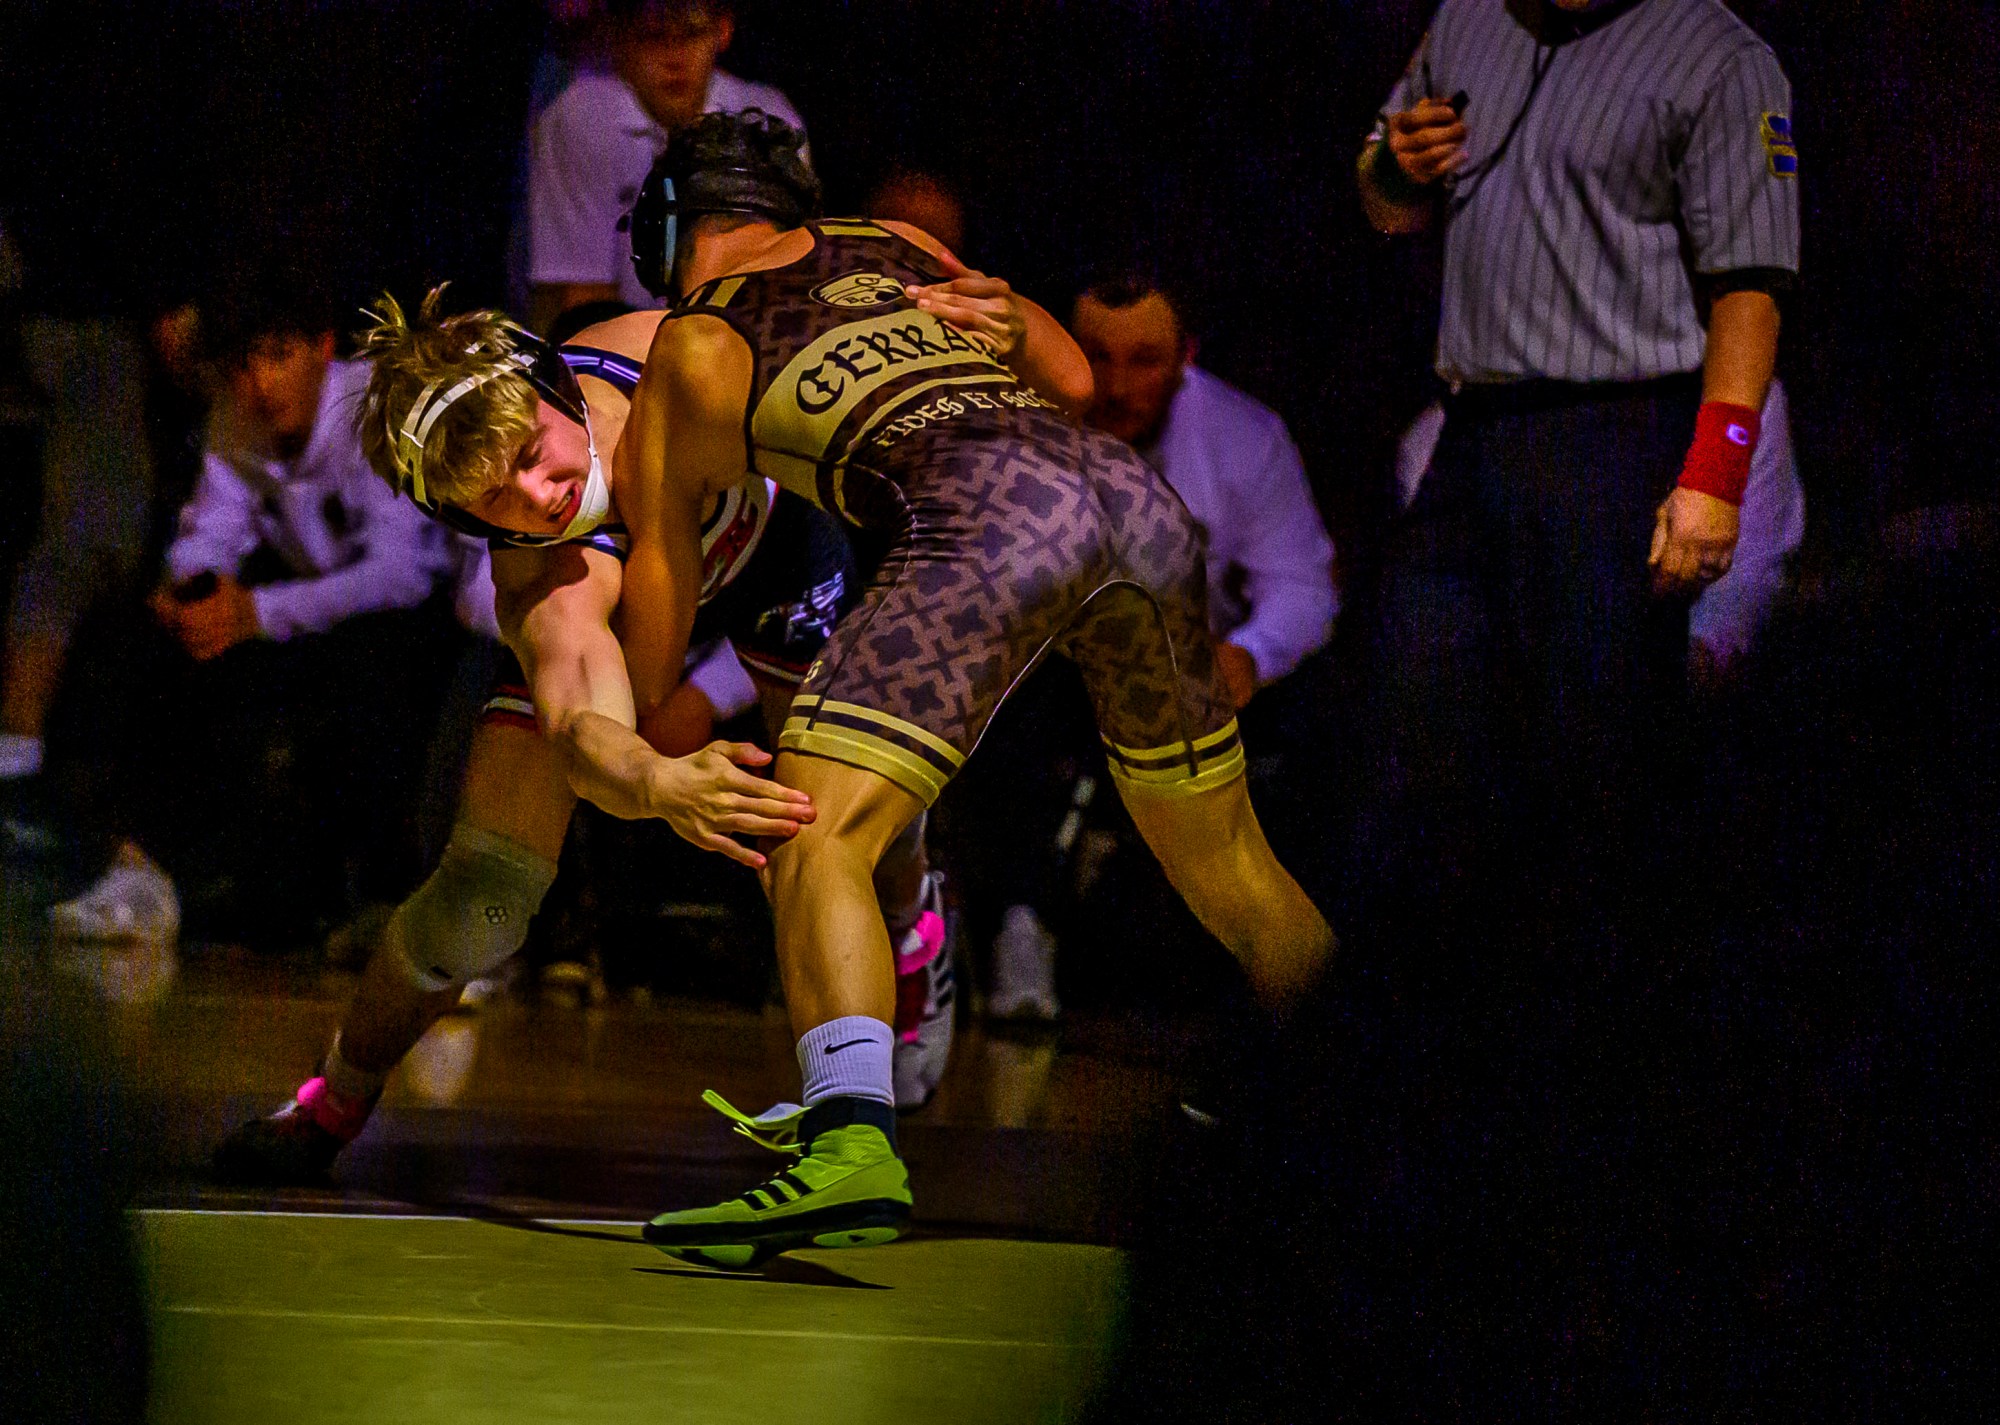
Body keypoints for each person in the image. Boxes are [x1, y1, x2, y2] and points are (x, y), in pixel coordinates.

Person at [604, 111, 1331, 1267]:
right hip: (1133, 510)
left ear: (667, 231)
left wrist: (624, 738)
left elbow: (660, 580)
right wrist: (1008, 318)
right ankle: (1377, 1106)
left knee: (815, 834)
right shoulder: (894, 240)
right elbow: (1075, 377)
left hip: (986, 528)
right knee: (1230, 865)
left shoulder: (690, 344)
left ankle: (845, 1142)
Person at [212, 284, 990, 1187]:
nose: (539, 499)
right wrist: (657, 784)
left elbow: (835, 303)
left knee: (843, 834)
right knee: (480, 904)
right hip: (634, 616)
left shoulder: (682, 354)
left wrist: (940, 311)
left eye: (531, 455)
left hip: (773, 558)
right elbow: (586, 731)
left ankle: (912, 922)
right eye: (493, 500)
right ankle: (333, 1098)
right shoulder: (544, 572)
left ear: (551, 386)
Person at [1356, 0, 1800, 894]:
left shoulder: (1718, 57)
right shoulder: (1467, 18)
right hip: (1473, 427)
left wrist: (1716, 471)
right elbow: (1385, 209)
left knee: (1593, 760)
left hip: (1618, 433)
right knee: (1421, 733)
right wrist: (1395, 167)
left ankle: (1601, 1016)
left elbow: (1751, 283)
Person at [972, 272, 1340, 1020]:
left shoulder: (1245, 439)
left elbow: (1305, 588)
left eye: (1144, 361)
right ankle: (1021, 923)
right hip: (1053, 669)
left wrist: (1248, 654)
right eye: (1095, 356)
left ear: (1186, 358)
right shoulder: (1018, 422)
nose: (1114, 385)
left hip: (1202, 679)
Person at [47, 302, 456, 946]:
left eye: (276, 357)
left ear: (322, 345)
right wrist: (188, 594)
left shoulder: (381, 404)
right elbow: (209, 529)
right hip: (310, 618)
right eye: (241, 366)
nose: (258, 385)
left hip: (426, 625)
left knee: (380, 660)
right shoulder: (235, 418)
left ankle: (389, 898)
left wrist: (255, 614)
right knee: (132, 637)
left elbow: (402, 575)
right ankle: (139, 870)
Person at [1393, 379, 1806, 683]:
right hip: (1512, 720)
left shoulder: (1739, 408)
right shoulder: (1438, 443)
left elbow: (1736, 606)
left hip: (1673, 717)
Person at [528, 0, 804, 332]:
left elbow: (791, 275)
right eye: (654, 36)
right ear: (619, 38)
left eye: (691, 34)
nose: (675, 57)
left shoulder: (766, 121)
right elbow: (581, 299)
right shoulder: (581, 118)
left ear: (723, 31)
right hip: (622, 339)